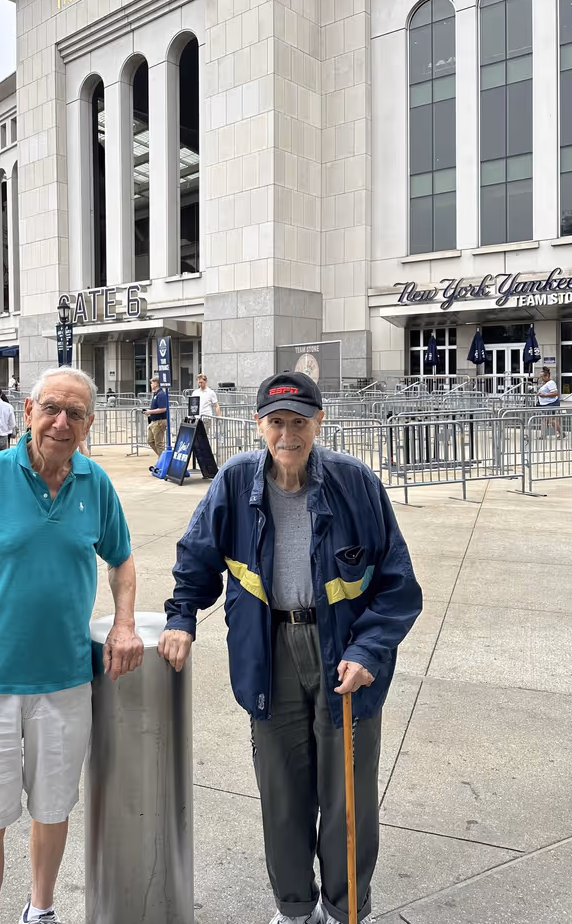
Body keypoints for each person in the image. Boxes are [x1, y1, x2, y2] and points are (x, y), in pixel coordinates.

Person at [159, 371, 423, 924]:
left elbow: (397, 584)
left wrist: (370, 651)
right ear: (259, 426)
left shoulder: (356, 484)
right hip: (268, 651)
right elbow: (197, 560)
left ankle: (346, 908)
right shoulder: (233, 482)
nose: (288, 435)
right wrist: (182, 617)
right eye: (276, 422)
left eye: (299, 422)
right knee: (282, 793)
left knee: (346, 797)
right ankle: (295, 909)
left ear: (319, 422)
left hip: (344, 655)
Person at [0, 367, 144, 924]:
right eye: (51, 408)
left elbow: (121, 562)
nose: (61, 422)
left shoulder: (96, 484)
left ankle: (40, 909)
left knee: (53, 809)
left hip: (65, 679)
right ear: (28, 411)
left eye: (75, 413)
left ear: (89, 423)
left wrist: (123, 623)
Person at [144, 376, 168, 458]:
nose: (151, 384)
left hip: (159, 421)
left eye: (152, 383)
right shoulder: (155, 394)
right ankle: (162, 457)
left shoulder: (161, 394)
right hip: (154, 421)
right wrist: (150, 412)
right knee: (150, 441)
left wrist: (150, 411)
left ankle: (163, 460)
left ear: (156, 384)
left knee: (159, 443)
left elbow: (163, 408)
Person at [538, 366, 563, 438]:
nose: (541, 379)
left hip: (551, 403)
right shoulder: (546, 383)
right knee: (545, 419)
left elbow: (555, 393)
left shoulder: (551, 383)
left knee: (552, 420)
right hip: (546, 403)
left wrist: (544, 395)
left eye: (542, 377)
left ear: (547, 376)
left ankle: (561, 433)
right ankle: (543, 435)